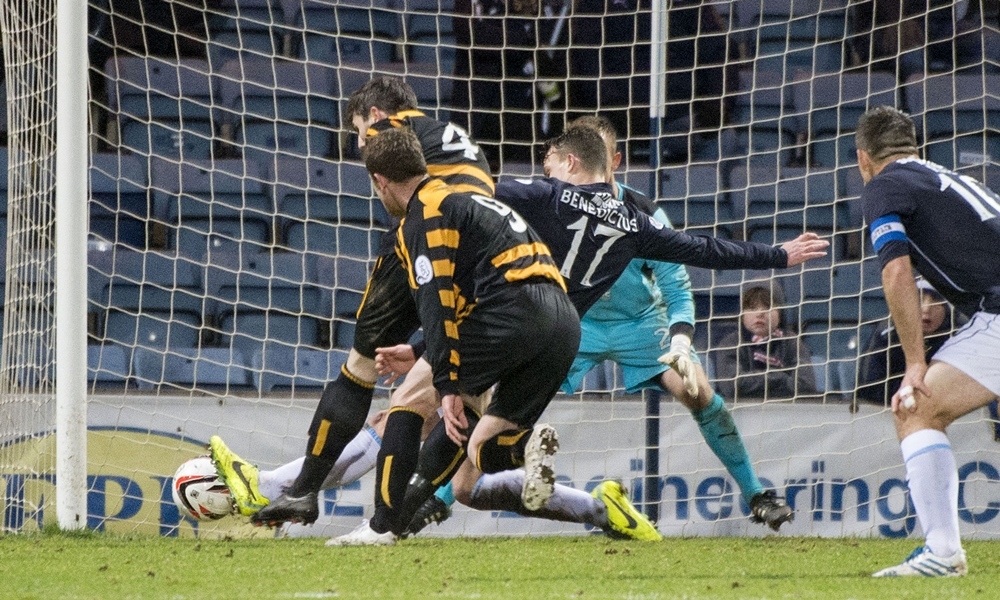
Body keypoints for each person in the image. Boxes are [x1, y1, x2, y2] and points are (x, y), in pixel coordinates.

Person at [405, 115, 794, 537]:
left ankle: (757, 495)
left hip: (641, 324)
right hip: (577, 324)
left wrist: (681, 339)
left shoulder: (639, 212)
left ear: (612, 160)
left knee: (698, 392)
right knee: (504, 408)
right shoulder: (560, 204)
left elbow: (678, 285)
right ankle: (440, 498)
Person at [210, 76, 494, 522]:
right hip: (487, 266)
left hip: (433, 240)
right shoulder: (459, 140)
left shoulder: (391, 132)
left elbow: (403, 197)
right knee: (427, 402)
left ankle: (303, 493)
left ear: (377, 117)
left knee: (361, 371)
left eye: (359, 131)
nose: (362, 143)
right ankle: (382, 512)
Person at [328, 126, 581, 546]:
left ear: (381, 181)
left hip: (513, 308)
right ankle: (525, 448)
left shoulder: (424, 214)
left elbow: (436, 305)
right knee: (482, 442)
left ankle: (380, 527)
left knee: (407, 399)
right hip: (563, 322)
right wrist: (422, 356)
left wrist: (444, 382)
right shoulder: (464, 200)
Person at [856, 105, 1000, 577]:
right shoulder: (948, 179)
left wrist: (914, 363)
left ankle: (942, 551)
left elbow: (897, 271)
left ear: (863, 159)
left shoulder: (883, 186)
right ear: (912, 146)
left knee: (916, 407)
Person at [856, 279, 960, 405]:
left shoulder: (960, 338)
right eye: (919, 300)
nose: (926, 308)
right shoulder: (887, 335)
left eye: (936, 301)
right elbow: (868, 388)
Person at [712, 285, 817, 401]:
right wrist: (781, 377)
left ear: (780, 313)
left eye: (767, 307)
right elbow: (732, 386)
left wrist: (753, 384)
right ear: (742, 314)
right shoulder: (730, 343)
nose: (759, 314)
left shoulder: (792, 342)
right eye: (752, 308)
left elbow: (806, 385)